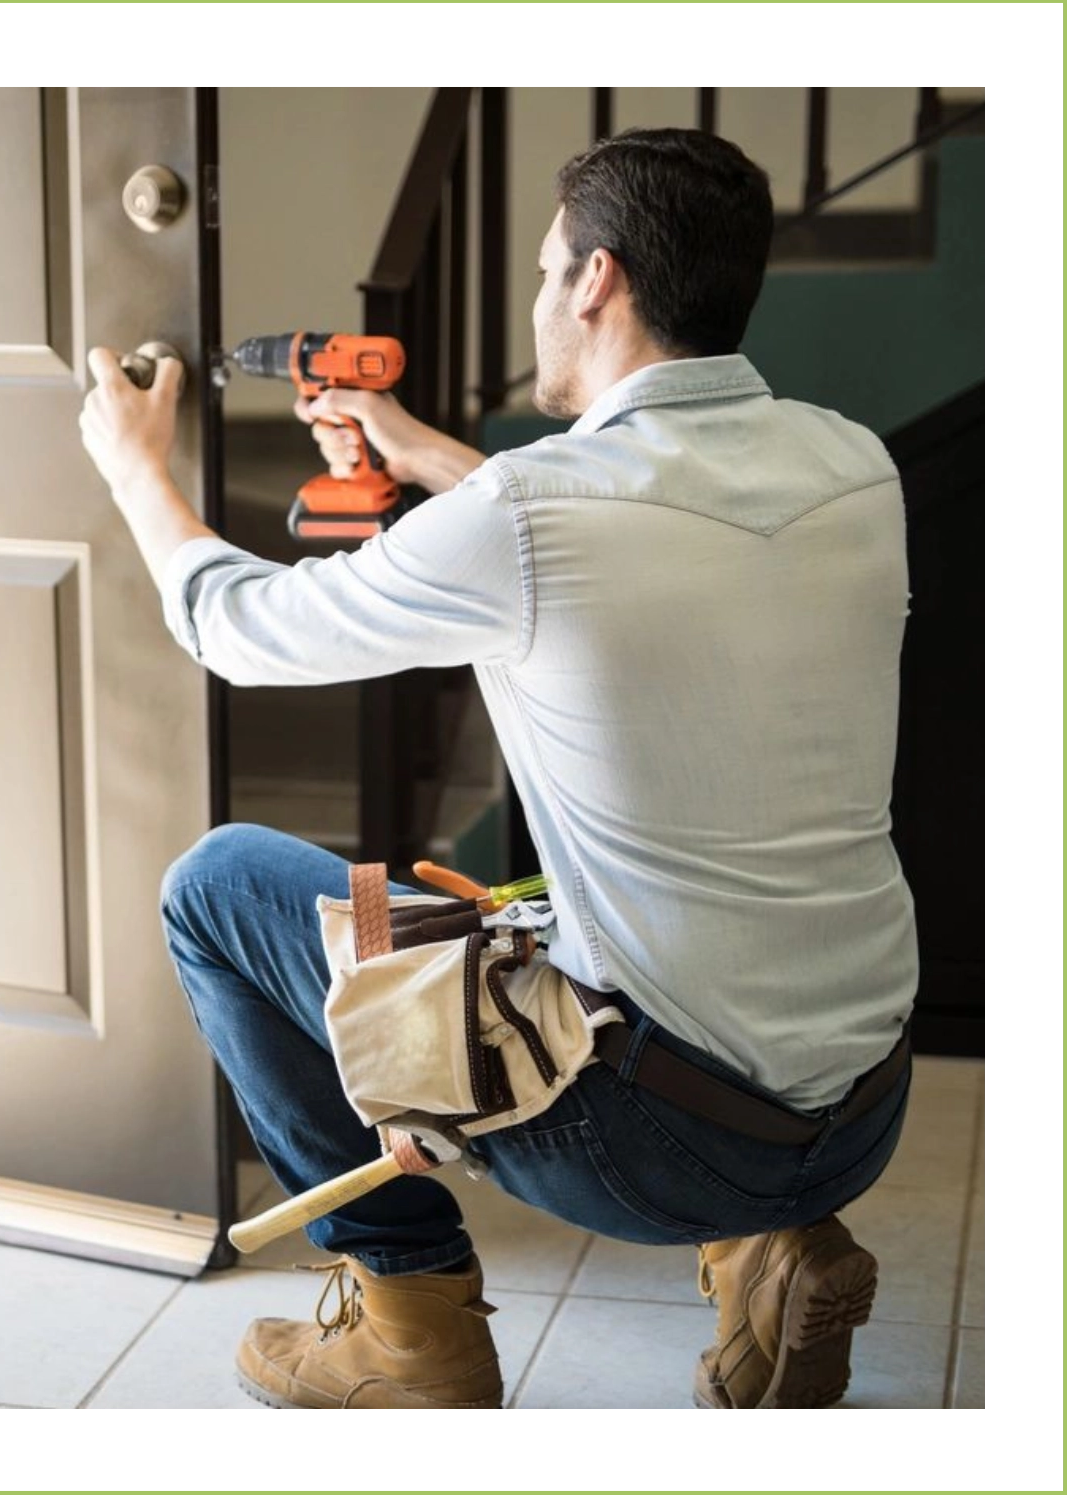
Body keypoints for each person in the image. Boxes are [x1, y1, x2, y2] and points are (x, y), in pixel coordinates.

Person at [79, 126, 918, 1416]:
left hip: (653, 1138)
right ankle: (780, 1243)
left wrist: (139, 470)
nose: (538, 296)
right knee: (518, 916)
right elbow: (628, 554)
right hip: (860, 1110)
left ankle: (408, 1325)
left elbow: (236, 631)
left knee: (222, 881)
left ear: (597, 281)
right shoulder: (854, 463)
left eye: (543, 270)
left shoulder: (532, 510)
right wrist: (425, 457)